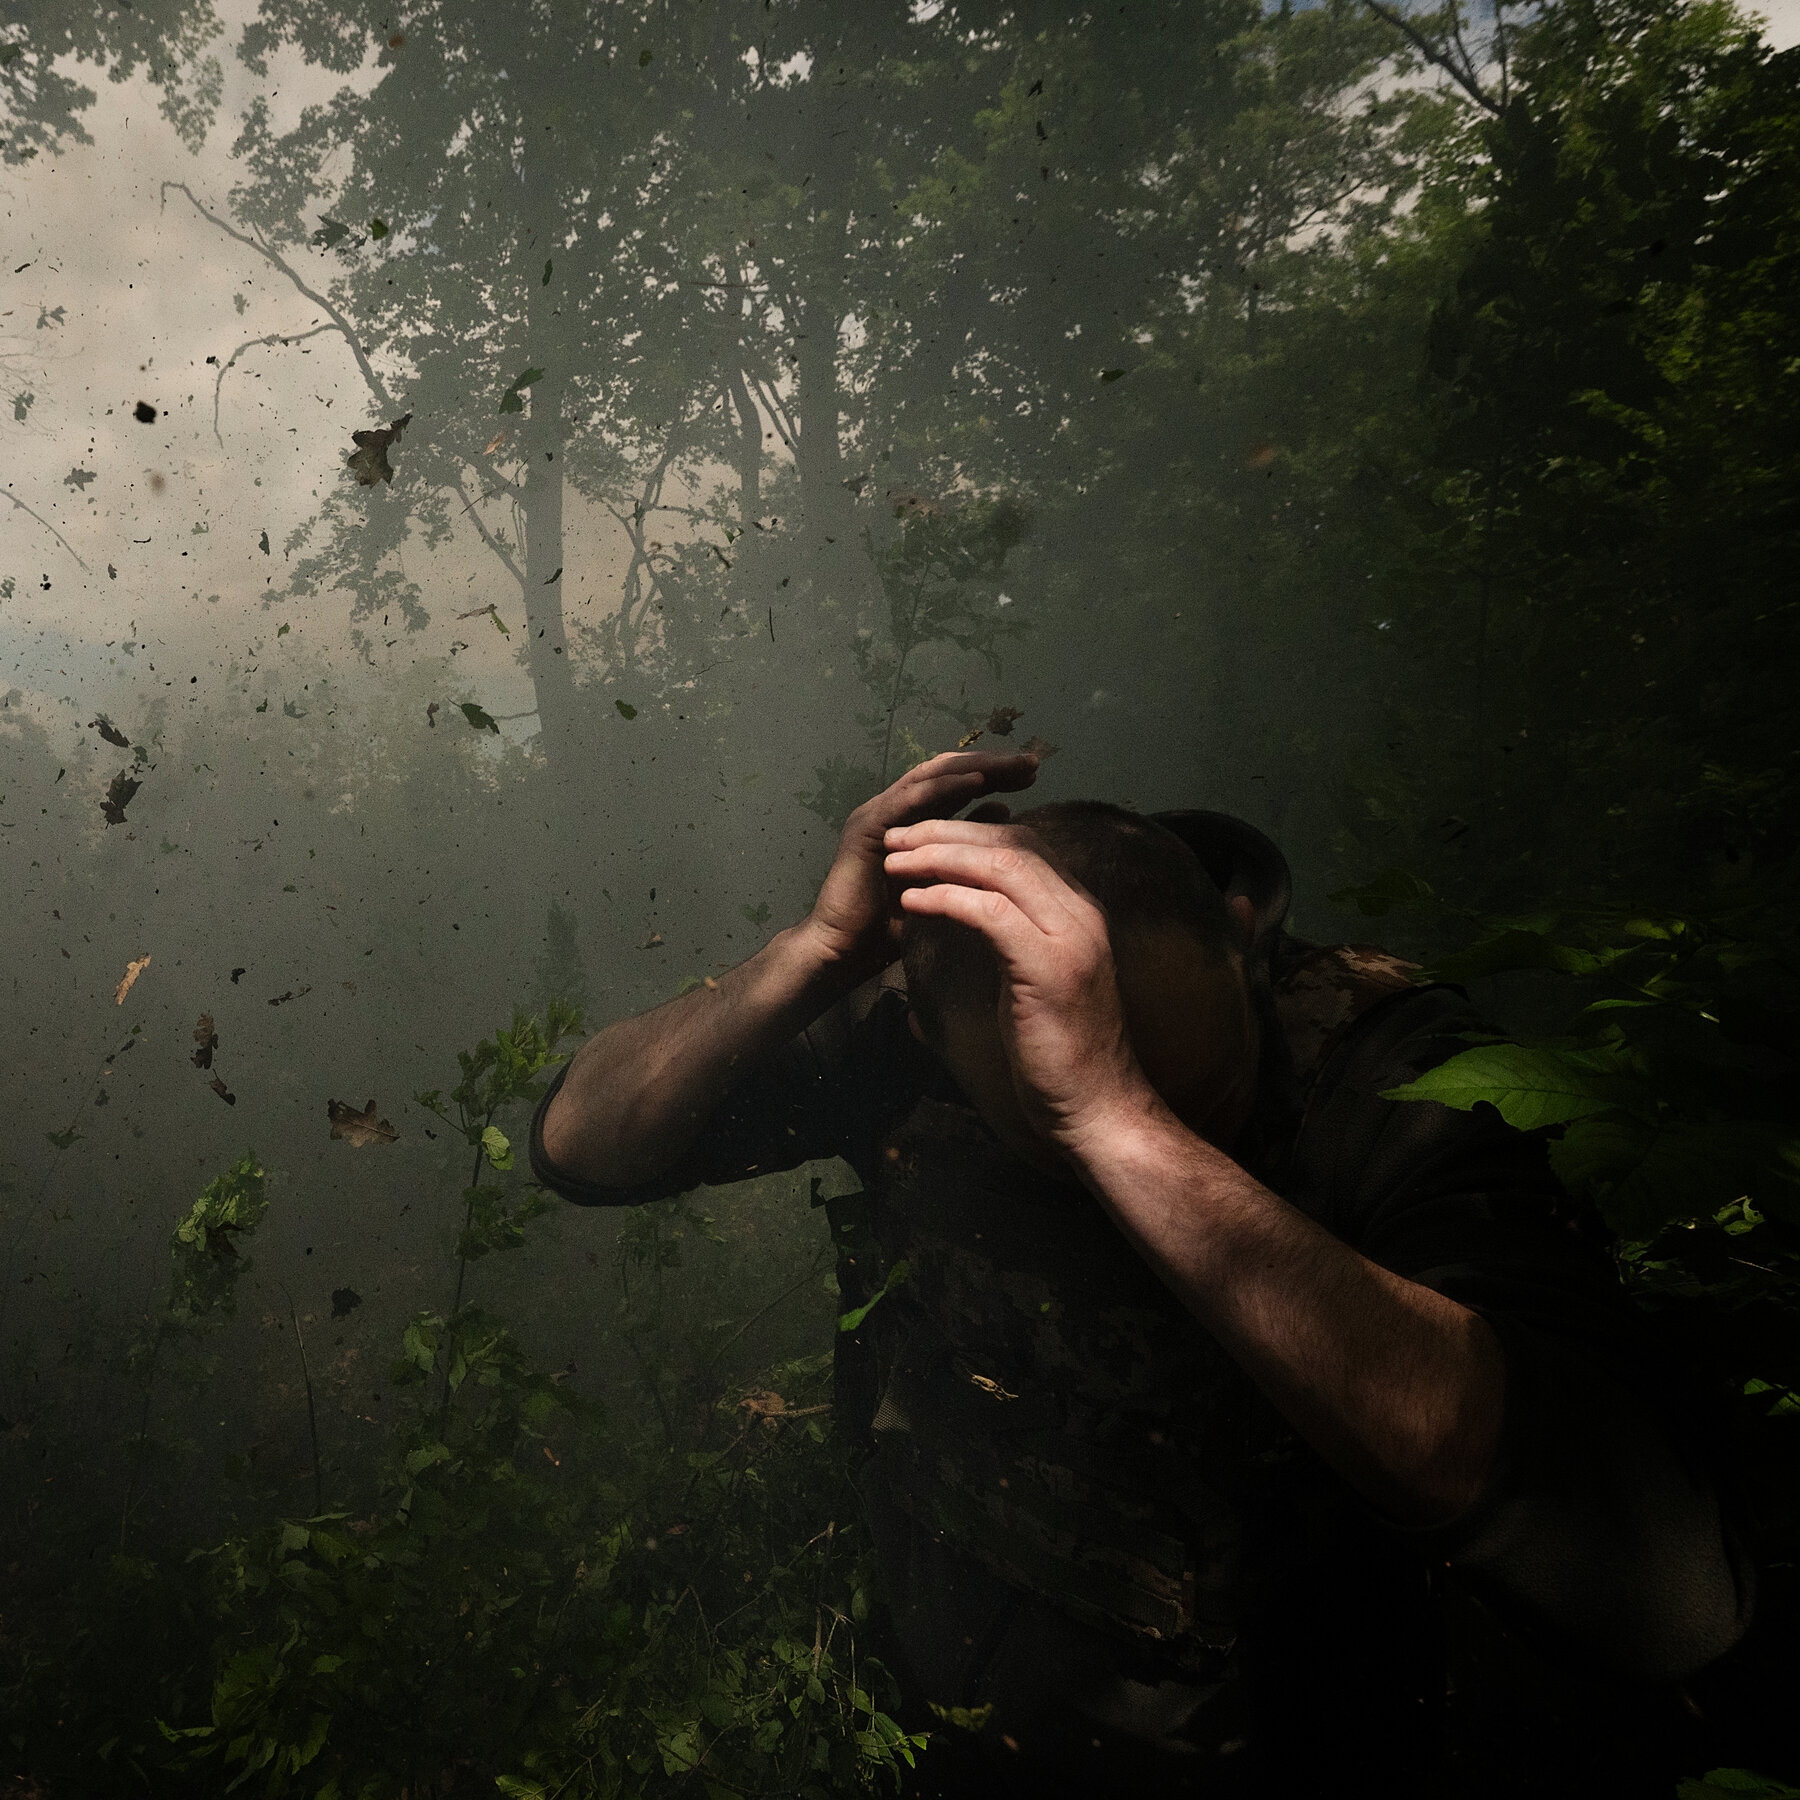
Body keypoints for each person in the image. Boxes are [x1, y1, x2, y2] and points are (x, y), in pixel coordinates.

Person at [530, 750, 1751, 1796]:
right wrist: (815, 951)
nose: (1151, 1118)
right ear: (923, 1032)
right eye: (1051, 1122)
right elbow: (585, 1146)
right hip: (963, 1728)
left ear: (1236, 933)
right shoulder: (915, 1042)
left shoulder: (1392, 1071)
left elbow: (1662, 1586)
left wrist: (1116, 1120)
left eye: (1192, 1087)